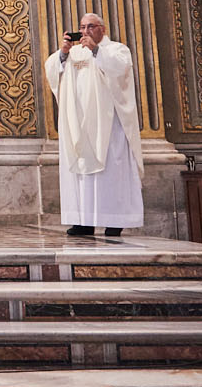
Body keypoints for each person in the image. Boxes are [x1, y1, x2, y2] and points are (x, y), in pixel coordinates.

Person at [43, 13, 144, 237]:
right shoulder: (74, 53)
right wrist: (63, 53)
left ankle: (115, 221)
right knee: (81, 173)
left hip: (109, 124)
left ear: (102, 29)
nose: (85, 31)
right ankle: (83, 221)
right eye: (82, 27)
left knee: (111, 172)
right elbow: (52, 69)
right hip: (79, 124)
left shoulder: (116, 49)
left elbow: (119, 70)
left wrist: (96, 50)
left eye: (91, 26)